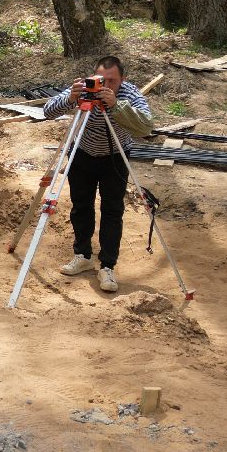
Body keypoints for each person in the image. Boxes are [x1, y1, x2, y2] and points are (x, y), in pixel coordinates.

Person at [41, 54, 152, 293]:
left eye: (112, 81)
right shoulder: (84, 88)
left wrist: (116, 105)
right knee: (81, 206)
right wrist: (70, 98)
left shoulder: (130, 94)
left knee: (112, 210)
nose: (105, 85)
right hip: (82, 153)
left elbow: (146, 126)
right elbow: (47, 112)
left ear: (123, 79)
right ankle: (82, 255)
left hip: (115, 158)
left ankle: (108, 266)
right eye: (102, 79)